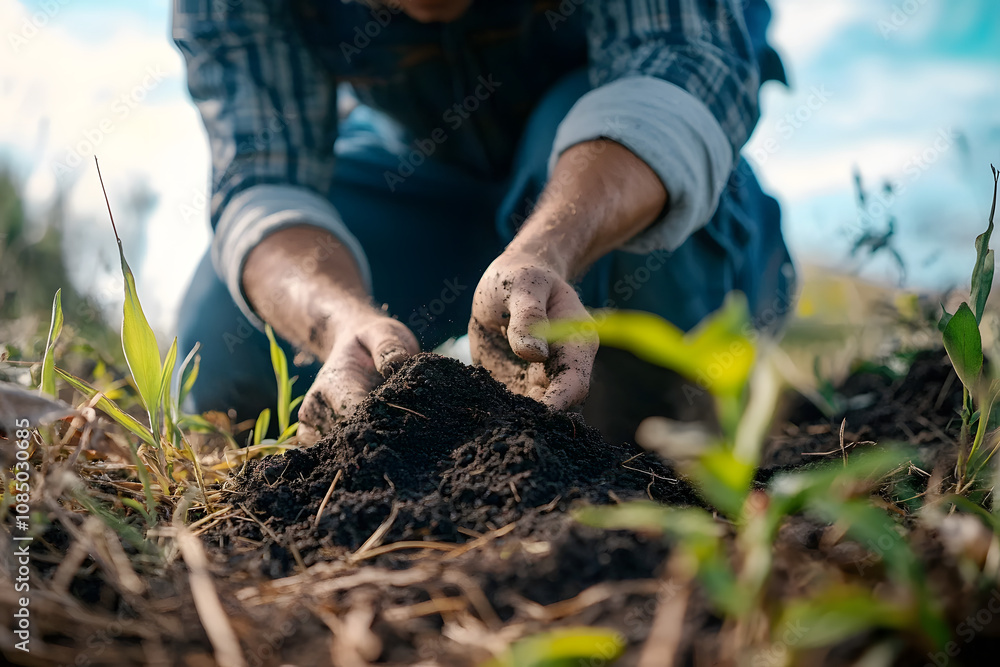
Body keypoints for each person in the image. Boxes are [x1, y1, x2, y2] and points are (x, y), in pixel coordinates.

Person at [173, 0, 794, 445]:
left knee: (622, 424)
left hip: (600, 165)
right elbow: (263, 180)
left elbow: (677, 70)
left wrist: (547, 249)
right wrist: (342, 322)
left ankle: (649, 430)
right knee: (226, 357)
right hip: (414, 167)